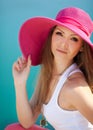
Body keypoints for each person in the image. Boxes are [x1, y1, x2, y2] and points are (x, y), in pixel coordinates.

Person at [5, 7, 93, 130]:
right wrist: (19, 83)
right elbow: (27, 122)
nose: (63, 44)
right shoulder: (48, 74)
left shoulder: (75, 88)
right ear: (51, 36)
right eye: (59, 33)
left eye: (73, 38)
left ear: (81, 47)